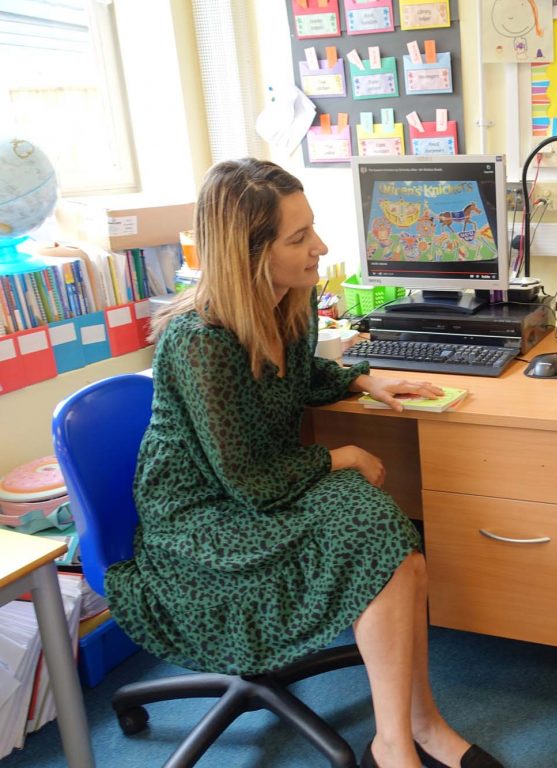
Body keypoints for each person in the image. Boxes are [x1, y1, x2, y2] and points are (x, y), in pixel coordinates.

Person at [104, 158, 503, 768]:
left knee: (403, 553)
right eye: (299, 238)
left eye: (312, 229)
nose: (320, 247)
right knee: (378, 535)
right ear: (249, 253)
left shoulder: (289, 298)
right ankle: (397, 742)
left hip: (259, 481)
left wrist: (365, 381)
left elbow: (299, 376)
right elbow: (249, 485)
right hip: (202, 519)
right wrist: (339, 455)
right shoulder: (199, 341)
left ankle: (419, 725)